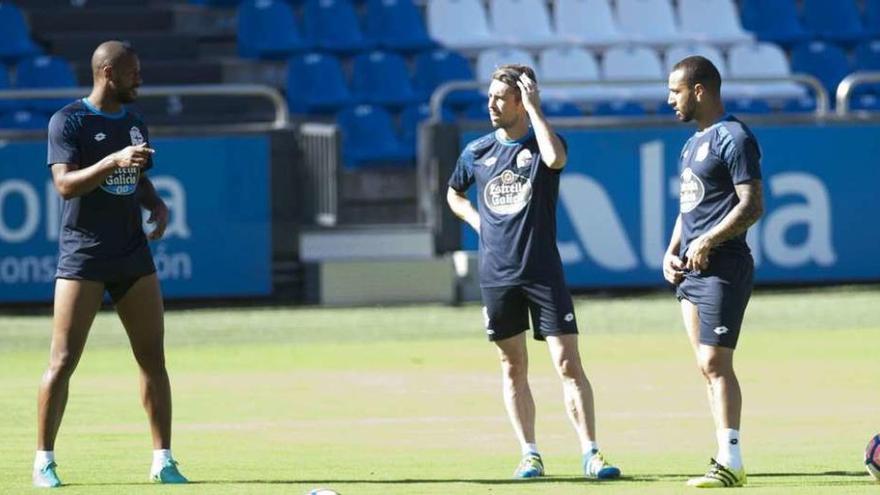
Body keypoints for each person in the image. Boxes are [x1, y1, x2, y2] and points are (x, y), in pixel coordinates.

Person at [446, 64, 621, 480]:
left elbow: (556, 158)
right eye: (489, 96)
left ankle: (591, 452)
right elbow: (453, 192)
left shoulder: (542, 143)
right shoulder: (476, 151)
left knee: (567, 362)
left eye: (500, 97)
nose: (491, 104)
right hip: (498, 274)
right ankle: (530, 453)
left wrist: (536, 110)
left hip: (542, 272)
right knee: (512, 364)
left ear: (521, 102)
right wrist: (476, 221)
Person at [33, 40, 188, 488]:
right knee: (62, 361)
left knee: (152, 359)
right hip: (83, 255)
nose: (139, 78)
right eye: (132, 72)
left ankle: (164, 459)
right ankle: (43, 460)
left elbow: (136, 177)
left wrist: (155, 202)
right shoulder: (69, 121)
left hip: (133, 256)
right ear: (106, 73)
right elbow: (65, 185)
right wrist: (113, 159)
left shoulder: (135, 121)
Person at [663, 56, 764, 488]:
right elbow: (690, 208)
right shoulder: (691, 144)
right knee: (705, 368)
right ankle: (723, 453)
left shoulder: (735, 138)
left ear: (699, 90)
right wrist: (672, 249)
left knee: (714, 361)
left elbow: (752, 204)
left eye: (676, 91)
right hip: (691, 272)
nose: (670, 100)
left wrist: (708, 241)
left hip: (723, 266)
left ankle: (732, 461)